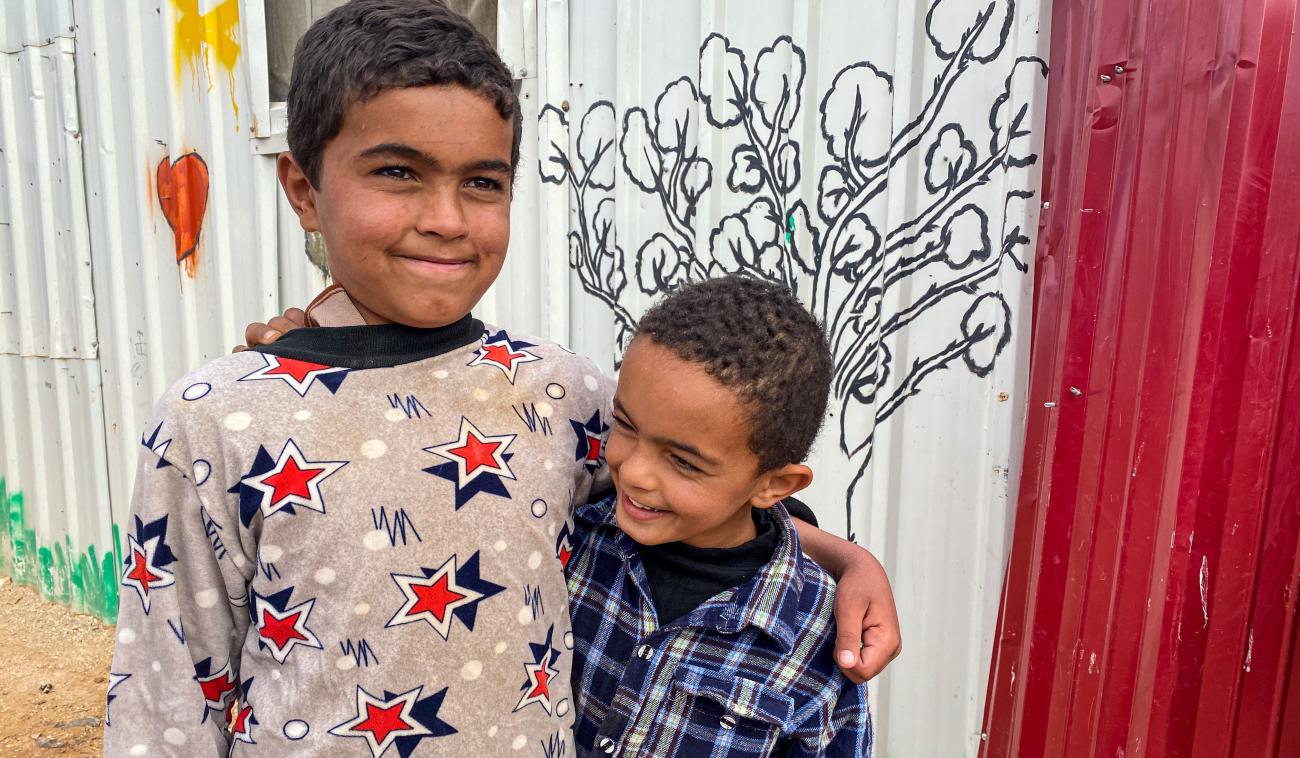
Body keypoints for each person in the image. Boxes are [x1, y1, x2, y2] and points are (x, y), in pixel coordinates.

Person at [106, 1, 897, 755]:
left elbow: (699, 511)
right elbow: (165, 699)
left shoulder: (563, 394)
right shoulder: (216, 422)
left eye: (482, 182)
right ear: (304, 190)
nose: (447, 218)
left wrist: (851, 561)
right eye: (397, 172)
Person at [566, 275, 871, 756]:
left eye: (683, 461)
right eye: (625, 424)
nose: (635, 472)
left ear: (773, 485)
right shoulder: (573, 538)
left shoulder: (817, 636)